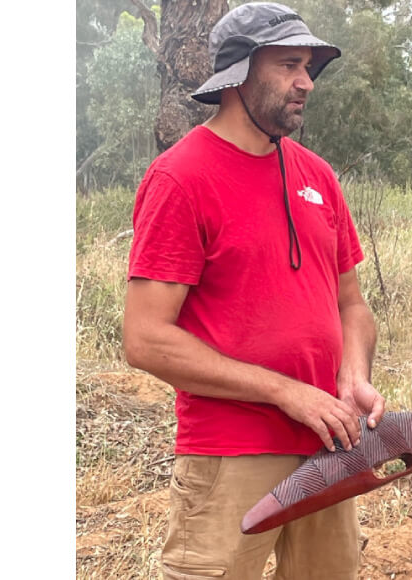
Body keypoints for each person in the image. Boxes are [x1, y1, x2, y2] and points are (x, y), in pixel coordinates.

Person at [123, 3, 385, 578]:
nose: (306, 82)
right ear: (238, 74)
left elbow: (351, 303)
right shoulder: (181, 178)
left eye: (309, 67)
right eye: (289, 64)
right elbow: (144, 339)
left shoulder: (317, 175)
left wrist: (353, 373)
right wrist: (285, 392)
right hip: (229, 452)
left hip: (329, 444)